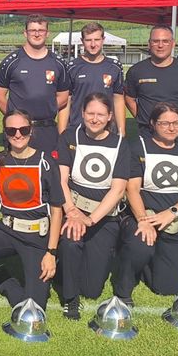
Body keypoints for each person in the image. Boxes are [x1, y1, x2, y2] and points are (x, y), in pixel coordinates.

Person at [0, 109, 63, 327]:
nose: (18, 135)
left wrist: (51, 252)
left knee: (33, 310)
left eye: (23, 130)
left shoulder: (45, 163)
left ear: (31, 131)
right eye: (11, 130)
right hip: (6, 230)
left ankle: (4, 279)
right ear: (5, 133)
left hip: (36, 235)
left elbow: (56, 209)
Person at [113, 103, 178, 304]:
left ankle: (151, 262)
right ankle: (124, 286)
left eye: (176, 123)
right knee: (141, 245)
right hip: (143, 215)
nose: (171, 128)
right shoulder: (138, 146)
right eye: (165, 123)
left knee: (167, 289)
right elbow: (132, 188)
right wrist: (143, 220)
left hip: (173, 221)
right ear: (153, 124)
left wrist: (171, 212)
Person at [57, 93, 131, 319]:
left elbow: (118, 190)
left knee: (92, 290)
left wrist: (89, 220)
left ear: (110, 116)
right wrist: (71, 212)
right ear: (82, 113)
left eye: (101, 114)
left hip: (103, 217)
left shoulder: (120, 143)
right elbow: (61, 179)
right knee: (71, 243)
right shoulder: (69, 136)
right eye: (90, 113)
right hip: (73, 210)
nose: (95, 119)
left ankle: (78, 267)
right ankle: (70, 298)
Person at [0, 15, 71, 157]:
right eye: (32, 30)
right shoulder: (11, 61)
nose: (37, 34)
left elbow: (64, 97)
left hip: (47, 130)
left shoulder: (58, 63)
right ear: (25, 33)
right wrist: (16, 120)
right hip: (18, 132)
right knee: (18, 175)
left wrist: (47, 109)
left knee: (47, 172)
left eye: (41, 30)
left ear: (47, 33)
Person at [124, 25, 178, 133]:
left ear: (172, 43)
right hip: (148, 132)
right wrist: (143, 119)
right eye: (155, 41)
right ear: (149, 43)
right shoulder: (136, 70)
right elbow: (129, 99)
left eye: (165, 41)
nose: (160, 45)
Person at [57, 22, 125, 135]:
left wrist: (122, 131)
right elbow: (67, 101)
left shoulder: (114, 67)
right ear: (82, 41)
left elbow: (118, 99)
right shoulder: (72, 67)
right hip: (78, 129)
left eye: (97, 39)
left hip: (106, 130)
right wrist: (62, 133)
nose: (93, 44)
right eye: (88, 40)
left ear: (103, 40)